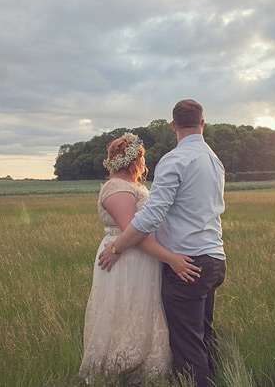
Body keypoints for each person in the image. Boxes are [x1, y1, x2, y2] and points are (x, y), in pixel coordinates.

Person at [99, 99, 226, 387]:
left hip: (187, 263)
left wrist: (118, 246)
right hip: (214, 259)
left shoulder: (175, 159)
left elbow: (151, 217)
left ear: (173, 125)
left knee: (187, 347)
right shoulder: (214, 160)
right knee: (204, 337)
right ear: (202, 123)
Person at [78, 132, 201, 383]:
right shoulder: (116, 188)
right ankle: (119, 369)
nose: (144, 165)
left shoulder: (135, 186)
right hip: (126, 257)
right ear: (135, 161)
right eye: (142, 160)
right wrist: (171, 258)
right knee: (126, 309)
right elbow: (132, 233)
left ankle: (147, 368)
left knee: (145, 309)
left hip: (144, 257)